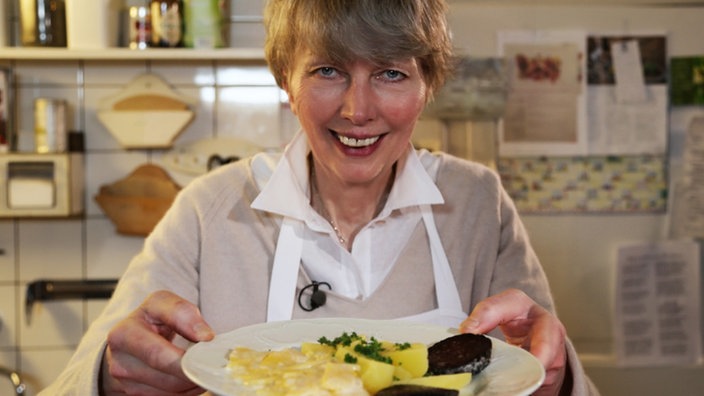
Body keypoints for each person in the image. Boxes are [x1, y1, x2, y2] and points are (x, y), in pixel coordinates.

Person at [42, 0, 599, 395]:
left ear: (427, 83)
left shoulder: (478, 203)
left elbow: (563, 382)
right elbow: (75, 384)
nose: (358, 110)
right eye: (328, 69)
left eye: (390, 73)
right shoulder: (208, 210)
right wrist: (114, 380)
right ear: (285, 79)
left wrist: (555, 377)